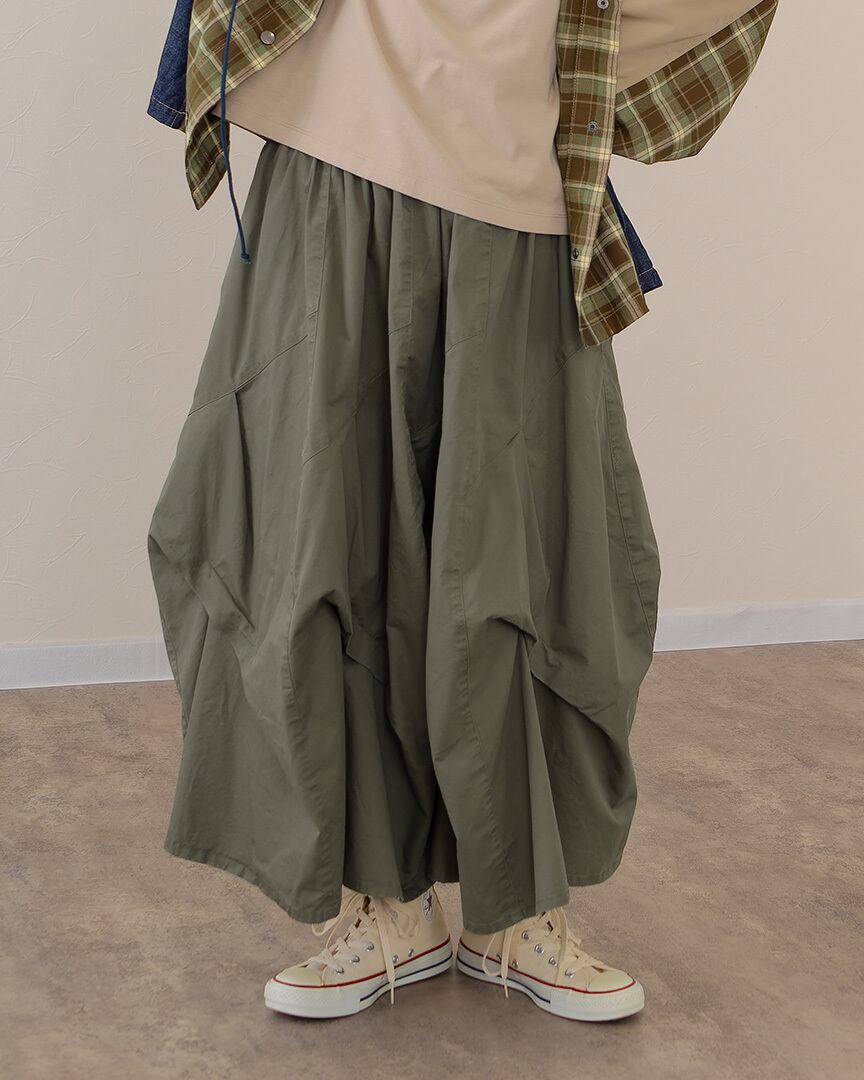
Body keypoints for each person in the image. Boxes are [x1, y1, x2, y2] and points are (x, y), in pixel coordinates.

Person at [146, 0, 779, 1023]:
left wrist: (581, 60)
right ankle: (383, 905)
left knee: (524, 563)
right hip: (333, 157)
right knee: (319, 543)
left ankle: (515, 909)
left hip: (514, 180)